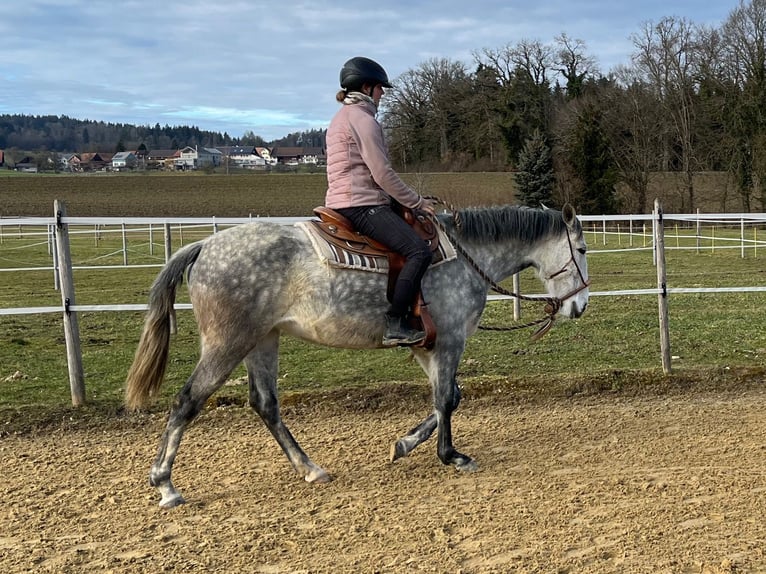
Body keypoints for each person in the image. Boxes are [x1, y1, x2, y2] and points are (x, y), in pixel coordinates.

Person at [325, 56, 436, 347]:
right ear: (366, 88)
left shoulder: (339, 119)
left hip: (340, 199)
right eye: (380, 88)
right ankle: (396, 323)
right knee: (418, 252)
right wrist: (416, 202)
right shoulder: (364, 120)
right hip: (363, 204)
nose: (383, 94)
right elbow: (382, 174)